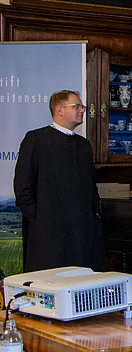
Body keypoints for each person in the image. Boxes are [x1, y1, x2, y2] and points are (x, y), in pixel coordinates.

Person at [13, 90, 105, 272]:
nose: (82, 111)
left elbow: (90, 186)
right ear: (59, 110)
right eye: (76, 106)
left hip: (81, 230)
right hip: (48, 232)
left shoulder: (84, 144)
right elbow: (23, 185)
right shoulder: (36, 139)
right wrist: (38, 218)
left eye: (82, 107)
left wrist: (94, 215)